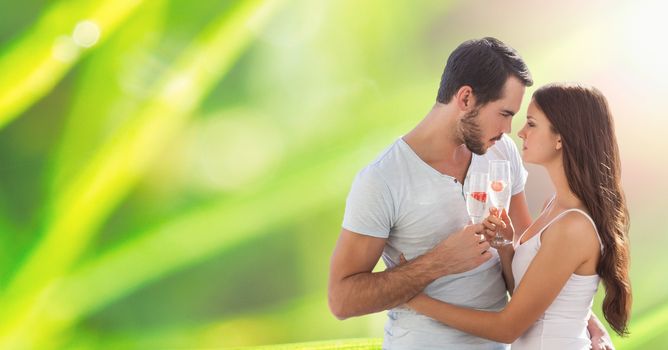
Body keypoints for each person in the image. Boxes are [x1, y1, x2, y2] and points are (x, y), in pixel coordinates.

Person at [328, 37, 611, 349]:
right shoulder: (383, 179)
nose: (510, 129)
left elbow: (533, 262)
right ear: (465, 99)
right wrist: (439, 262)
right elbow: (342, 300)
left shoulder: (501, 152)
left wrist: (580, 316)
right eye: (504, 113)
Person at [404, 83, 631, 349]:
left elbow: (508, 328)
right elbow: (523, 295)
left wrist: (415, 300)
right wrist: (504, 246)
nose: (520, 133)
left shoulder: (573, 227)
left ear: (561, 138)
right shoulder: (554, 206)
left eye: (532, 124)